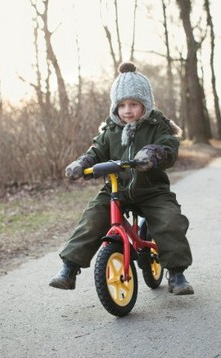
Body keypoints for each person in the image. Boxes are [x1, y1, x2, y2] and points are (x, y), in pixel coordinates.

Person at [49, 62, 194, 295]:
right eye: (122, 105)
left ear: (145, 104)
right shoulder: (110, 130)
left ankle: (177, 274)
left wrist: (153, 153)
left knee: (169, 221)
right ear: (114, 107)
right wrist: (82, 164)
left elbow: (169, 146)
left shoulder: (157, 125)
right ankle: (69, 268)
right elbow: (96, 151)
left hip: (152, 190)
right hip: (116, 189)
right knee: (92, 218)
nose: (127, 110)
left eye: (134, 104)